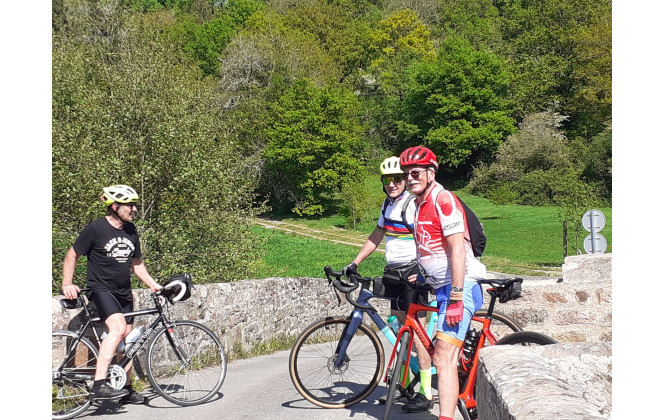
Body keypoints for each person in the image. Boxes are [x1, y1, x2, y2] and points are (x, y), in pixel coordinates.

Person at [399, 146, 486, 420]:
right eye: (406, 174)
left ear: (431, 173)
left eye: (415, 173)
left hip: (459, 287)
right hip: (441, 287)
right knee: (448, 356)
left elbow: (457, 249)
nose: (410, 178)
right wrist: (424, 275)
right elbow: (430, 246)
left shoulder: (442, 199)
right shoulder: (417, 205)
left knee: (442, 358)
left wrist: (457, 298)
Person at [343, 156, 434, 413]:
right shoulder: (387, 205)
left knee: (417, 332)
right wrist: (355, 262)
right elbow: (376, 235)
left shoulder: (412, 205)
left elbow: (428, 238)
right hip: (393, 273)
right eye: (387, 180)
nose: (392, 184)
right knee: (398, 327)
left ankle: (426, 392)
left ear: (404, 180)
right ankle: (402, 385)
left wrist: (425, 271)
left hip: (413, 273)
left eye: (397, 179)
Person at [61, 185, 162, 404]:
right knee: (117, 328)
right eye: (130, 205)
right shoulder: (96, 228)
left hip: (124, 292)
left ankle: (125, 388)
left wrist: (155, 286)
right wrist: (67, 283)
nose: (134, 209)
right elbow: (72, 254)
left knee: (128, 342)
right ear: (115, 206)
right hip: (101, 289)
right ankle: (99, 385)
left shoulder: (131, 230)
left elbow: (136, 263)